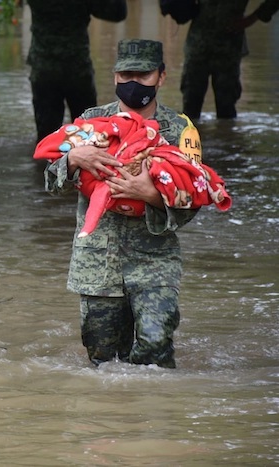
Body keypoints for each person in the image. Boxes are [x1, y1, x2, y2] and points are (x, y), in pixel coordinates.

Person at [37, 39, 202, 368]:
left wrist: (150, 194)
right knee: (104, 363)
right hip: (98, 265)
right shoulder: (89, 122)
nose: (133, 83)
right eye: (126, 74)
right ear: (114, 76)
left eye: (143, 75)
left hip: (155, 263)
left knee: (156, 351)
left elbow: (194, 198)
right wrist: (73, 159)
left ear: (161, 77)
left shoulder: (180, 130)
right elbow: (50, 183)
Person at [25, 0, 127, 141]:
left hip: (44, 68)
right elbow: (117, 14)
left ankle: (45, 162)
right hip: (77, 69)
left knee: (46, 138)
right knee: (87, 134)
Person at [181, 0, 279, 121]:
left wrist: (251, 19)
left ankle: (227, 137)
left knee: (226, 108)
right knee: (190, 105)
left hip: (228, 48)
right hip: (198, 46)